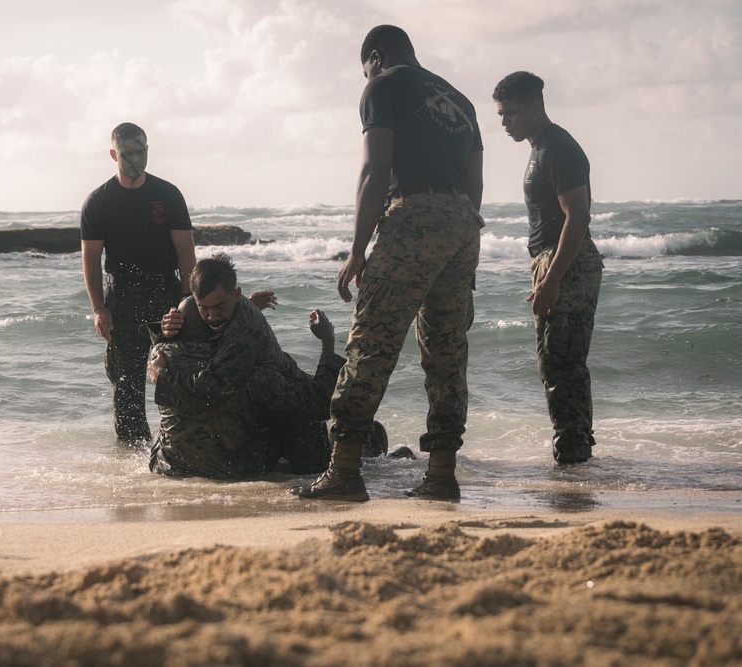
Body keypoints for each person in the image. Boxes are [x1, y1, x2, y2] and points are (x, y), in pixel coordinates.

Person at [292, 24, 484, 503]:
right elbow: (476, 184)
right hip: (463, 224)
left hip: (414, 218)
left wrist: (358, 249)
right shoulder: (461, 100)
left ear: (375, 57)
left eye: (365, 69)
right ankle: (441, 475)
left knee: (370, 346)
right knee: (446, 355)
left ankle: (345, 472)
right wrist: (463, 244)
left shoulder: (381, 85)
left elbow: (375, 170)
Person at [150, 254, 386, 475]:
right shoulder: (221, 349)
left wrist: (328, 342)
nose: (212, 317)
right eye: (204, 309)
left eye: (220, 307)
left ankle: (363, 450)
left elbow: (316, 403)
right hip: (249, 444)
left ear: (236, 295)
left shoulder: (241, 349)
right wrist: (163, 334)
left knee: (296, 428)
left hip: (171, 461)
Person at [493, 71, 604, 464]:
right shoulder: (540, 146)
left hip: (566, 262)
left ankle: (572, 455)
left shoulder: (557, 147)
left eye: (511, 113)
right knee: (559, 362)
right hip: (556, 261)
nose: (504, 122)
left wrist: (553, 278)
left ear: (536, 106)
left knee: (560, 363)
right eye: (501, 114)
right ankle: (575, 450)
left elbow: (578, 217)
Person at [80, 122, 197, 442]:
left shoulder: (167, 195)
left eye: (141, 151)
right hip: (122, 295)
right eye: (127, 153)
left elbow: (185, 250)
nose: (136, 159)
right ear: (113, 154)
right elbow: (91, 259)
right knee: (126, 383)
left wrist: (188, 300)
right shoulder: (98, 201)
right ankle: (133, 458)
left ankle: (181, 446)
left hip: (166, 293)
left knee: (176, 373)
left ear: (148, 150)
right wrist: (98, 307)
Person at [147, 295, 344, 479]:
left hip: (169, 466)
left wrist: (165, 333)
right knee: (298, 418)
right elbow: (317, 406)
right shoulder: (243, 369)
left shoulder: (161, 355)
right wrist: (328, 341)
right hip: (233, 469)